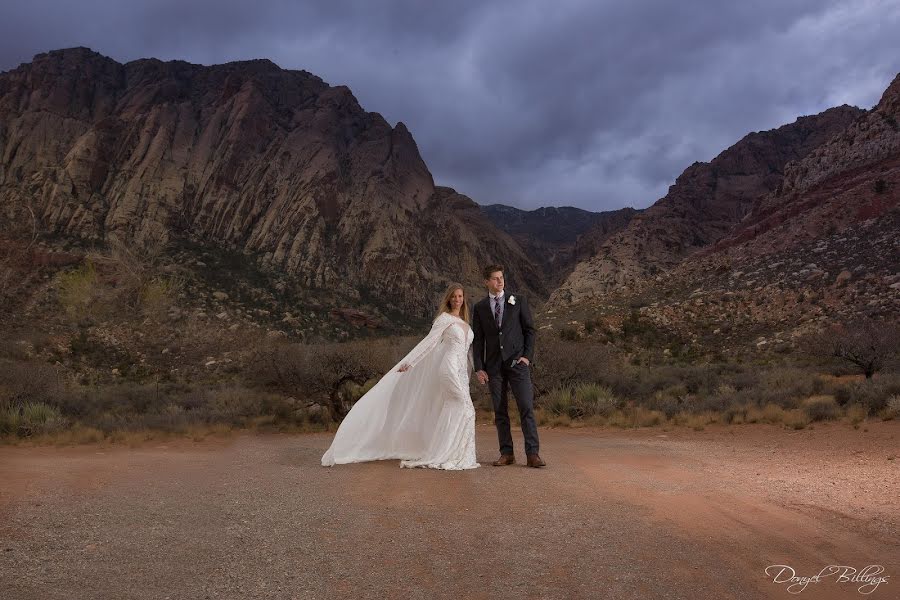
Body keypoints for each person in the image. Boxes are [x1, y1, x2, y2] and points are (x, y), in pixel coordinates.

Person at [321, 283, 480, 470]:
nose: (457, 300)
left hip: (462, 372)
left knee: (458, 408)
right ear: (448, 299)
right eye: (453, 296)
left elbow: (468, 352)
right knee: (465, 407)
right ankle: (445, 453)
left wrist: (478, 371)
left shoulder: (465, 324)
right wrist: (411, 362)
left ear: (464, 299)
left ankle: (456, 453)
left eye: (460, 296)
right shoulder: (443, 319)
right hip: (449, 368)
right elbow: (428, 343)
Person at [472, 264, 545, 468]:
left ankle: (533, 454)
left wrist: (526, 357)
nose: (500, 281)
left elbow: (530, 330)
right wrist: (479, 367)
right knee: (500, 411)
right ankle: (507, 453)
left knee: (526, 407)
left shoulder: (518, 301)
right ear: (486, 281)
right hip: (493, 367)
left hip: (517, 363)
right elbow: (478, 340)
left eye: (501, 277)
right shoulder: (480, 308)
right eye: (495, 278)